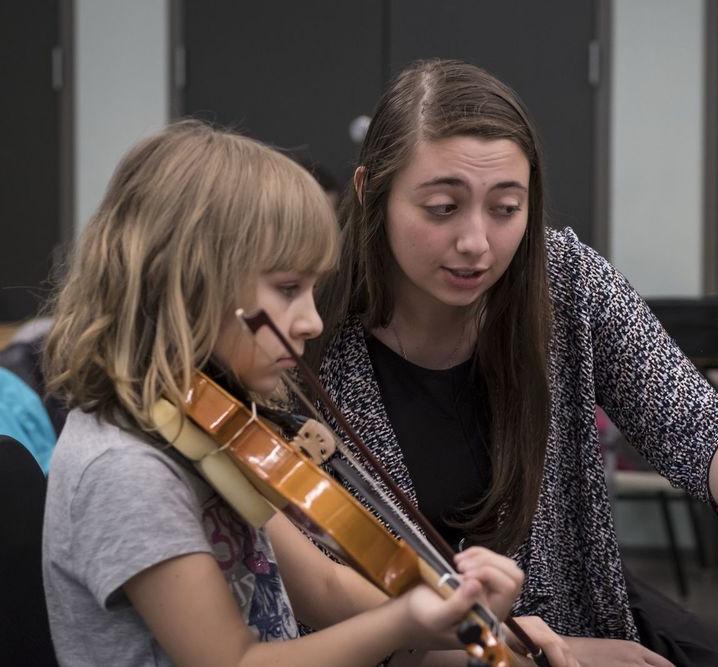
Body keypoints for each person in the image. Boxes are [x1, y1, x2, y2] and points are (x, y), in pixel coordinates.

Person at [308, 59, 718, 667]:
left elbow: (691, 422)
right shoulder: (308, 336)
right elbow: (329, 607)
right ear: (370, 193)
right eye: (442, 207)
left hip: (586, 619)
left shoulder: (564, 278)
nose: (476, 243)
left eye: (506, 207)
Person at [41, 120, 553, 667]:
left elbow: (326, 589)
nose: (310, 321)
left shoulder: (202, 432)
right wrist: (407, 619)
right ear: (188, 283)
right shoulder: (127, 472)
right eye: (288, 289)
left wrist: (475, 626)